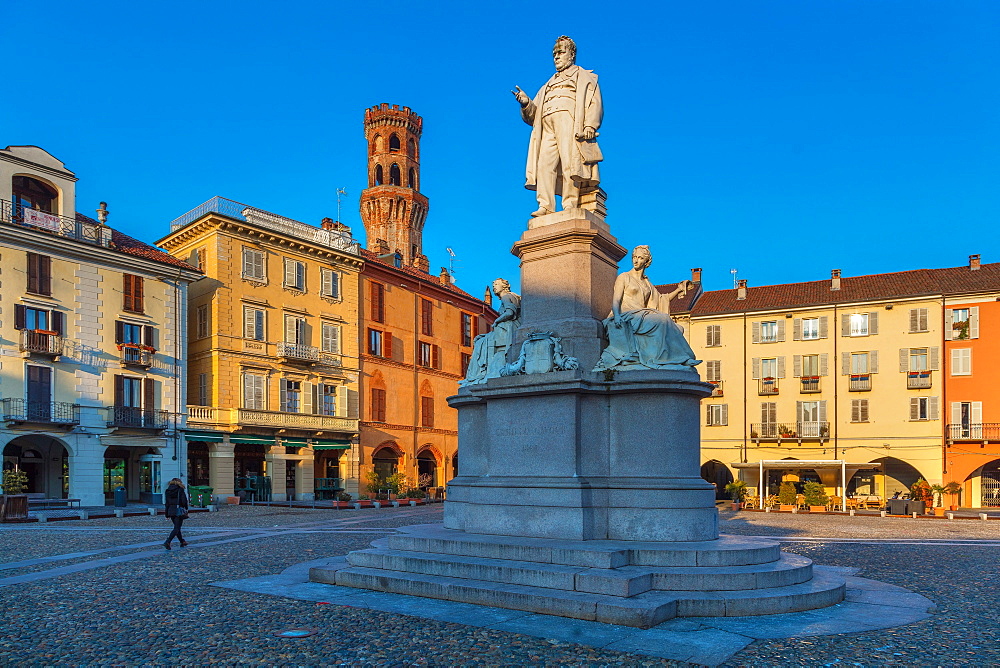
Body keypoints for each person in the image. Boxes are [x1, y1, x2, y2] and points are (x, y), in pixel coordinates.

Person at [513, 35, 603, 217]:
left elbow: (594, 102)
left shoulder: (583, 76)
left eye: (561, 52)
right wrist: (526, 103)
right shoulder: (548, 84)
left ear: (572, 55)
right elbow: (533, 113)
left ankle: (570, 203)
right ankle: (545, 205)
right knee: (544, 164)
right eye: (554, 53)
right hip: (546, 125)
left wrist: (590, 125)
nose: (556, 56)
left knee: (570, 162)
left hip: (569, 121)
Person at [596, 245, 702, 371]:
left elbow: (661, 299)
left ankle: (679, 359)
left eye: (640, 258)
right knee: (663, 319)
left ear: (646, 262)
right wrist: (617, 316)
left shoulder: (647, 283)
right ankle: (679, 358)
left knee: (678, 327)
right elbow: (616, 299)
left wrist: (679, 289)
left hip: (642, 315)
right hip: (627, 315)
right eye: (634, 257)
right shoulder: (624, 277)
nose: (636, 260)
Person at [461, 279, 522, 385]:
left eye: (496, 284)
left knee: (480, 342)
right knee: (482, 339)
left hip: (506, 329)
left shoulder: (506, 297)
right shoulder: (513, 296)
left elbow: (510, 313)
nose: (494, 287)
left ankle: (475, 375)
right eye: (493, 285)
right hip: (507, 329)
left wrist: (496, 321)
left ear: (503, 286)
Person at [163, 478, 189, 550]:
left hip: (171, 510)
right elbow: (184, 501)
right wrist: (186, 508)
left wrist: (167, 514)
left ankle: (182, 541)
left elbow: (167, 503)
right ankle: (168, 541)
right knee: (177, 528)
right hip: (178, 510)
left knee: (177, 527)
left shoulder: (167, 491)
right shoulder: (180, 489)